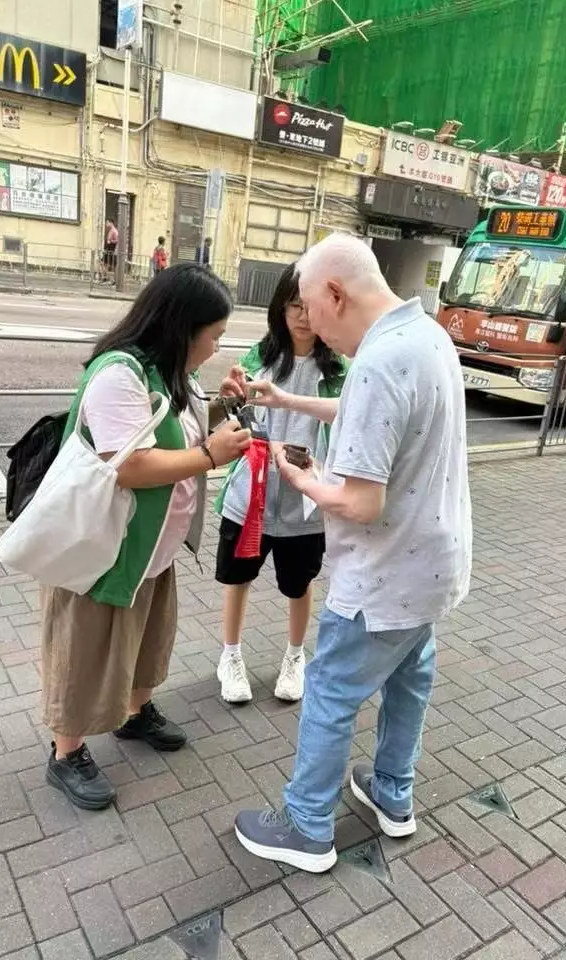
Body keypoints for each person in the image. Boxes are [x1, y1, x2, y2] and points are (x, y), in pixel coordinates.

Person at [233, 234, 472, 872]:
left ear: (336, 293)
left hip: (381, 572)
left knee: (331, 690)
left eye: (313, 308)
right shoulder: (426, 336)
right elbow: (366, 409)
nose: (314, 326)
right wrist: (286, 399)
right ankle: (393, 791)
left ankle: (308, 824)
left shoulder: (376, 360)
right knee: (410, 678)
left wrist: (302, 477)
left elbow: (361, 503)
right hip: (434, 564)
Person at [41, 264, 252, 811]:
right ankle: (65, 753)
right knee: (85, 651)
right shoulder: (120, 374)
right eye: (214, 336)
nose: (216, 348)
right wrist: (210, 456)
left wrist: (221, 406)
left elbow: (174, 427)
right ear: (183, 327)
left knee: (147, 639)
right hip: (107, 551)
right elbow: (129, 464)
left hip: (151, 548)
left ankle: (135, 714)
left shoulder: (165, 370)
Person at [214, 263, 347, 704]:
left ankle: (295, 656)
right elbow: (234, 421)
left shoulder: (339, 368)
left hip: (305, 502)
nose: (303, 317)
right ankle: (230, 655)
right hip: (249, 496)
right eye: (293, 306)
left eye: (309, 306)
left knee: (299, 583)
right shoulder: (259, 358)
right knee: (237, 578)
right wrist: (228, 399)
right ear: (280, 309)